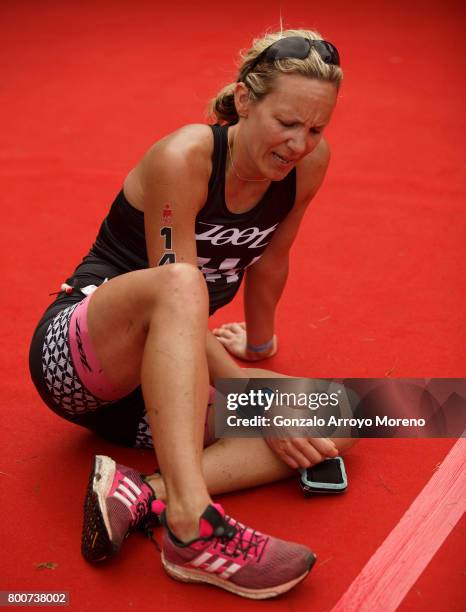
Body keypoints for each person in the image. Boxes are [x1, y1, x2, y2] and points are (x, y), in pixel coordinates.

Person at [29, 29, 351, 599]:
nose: (300, 143)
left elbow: (273, 259)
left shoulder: (307, 165)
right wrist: (251, 396)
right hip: (81, 360)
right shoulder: (186, 155)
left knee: (339, 412)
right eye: (287, 122)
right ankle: (190, 526)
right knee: (182, 280)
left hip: (159, 394)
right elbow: (176, 298)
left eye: (316, 128)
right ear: (246, 101)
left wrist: (257, 345)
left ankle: (140, 493)